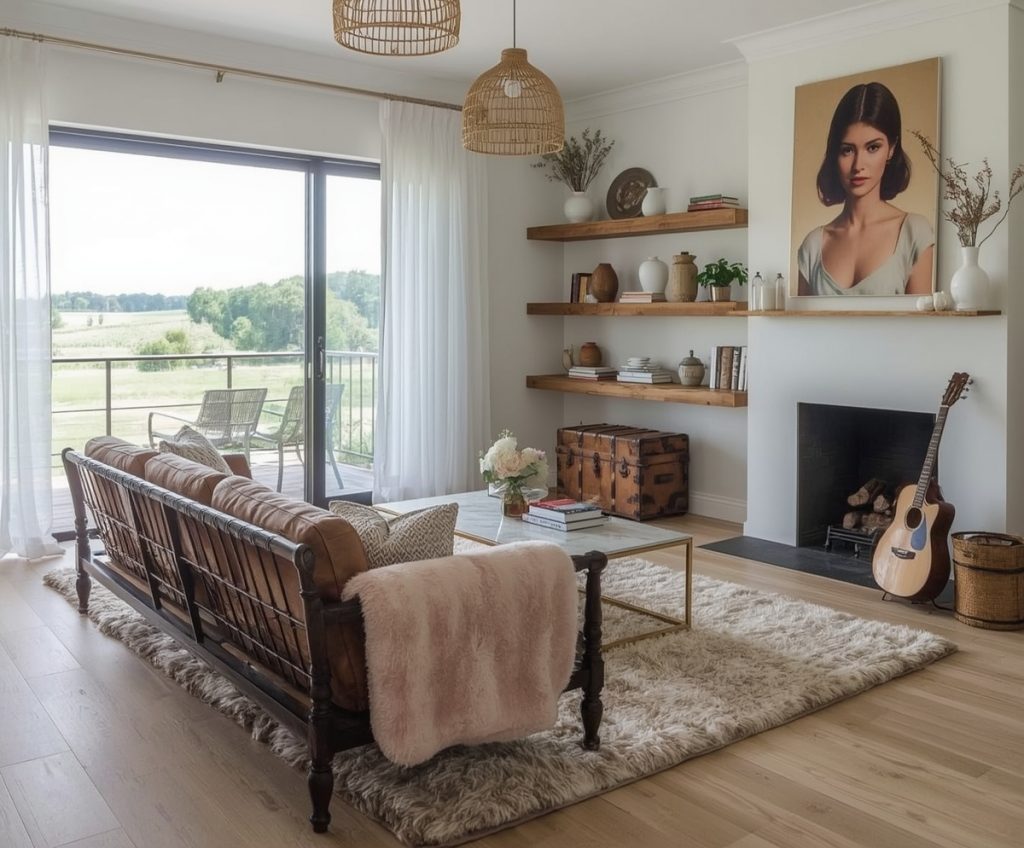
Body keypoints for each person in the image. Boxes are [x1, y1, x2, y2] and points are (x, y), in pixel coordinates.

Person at [797, 81, 934, 296]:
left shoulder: (914, 233)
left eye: (872, 147)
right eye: (847, 150)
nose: (858, 165)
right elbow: (802, 330)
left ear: (891, 148)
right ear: (835, 154)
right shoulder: (813, 247)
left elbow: (922, 328)